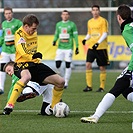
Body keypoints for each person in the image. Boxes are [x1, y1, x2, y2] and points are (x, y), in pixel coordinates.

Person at [3, 14, 65, 115]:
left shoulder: (34, 32)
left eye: (35, 28)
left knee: (61, 82)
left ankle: (53, 107)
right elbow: (22, 51)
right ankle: (10, 105)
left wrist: (34, 57)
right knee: (26, 76)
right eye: (33, 28)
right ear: (26, 26)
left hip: (34, 64)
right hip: (21, 64)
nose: (34, 31)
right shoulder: (19, 34)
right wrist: (33, 56)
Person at [80, 4, 133, 123]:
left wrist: (130, 69)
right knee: (124, 89)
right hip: (92, 47)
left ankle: (95, 116)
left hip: (102, 48)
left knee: (117, 87)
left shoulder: (127, 30)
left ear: (119, 17)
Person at [82, 5, 109, 92]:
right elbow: (90, 33)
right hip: (91, 47)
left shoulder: (103, 21)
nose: (95, 12)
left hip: (101, 47)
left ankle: (102, 87)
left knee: (102, 67)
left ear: (99, 11)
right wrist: (85, 39)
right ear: (91, 11)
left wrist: (98, 43)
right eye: (93, 10)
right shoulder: (90, 22)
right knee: (88, 65)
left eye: (97, 10)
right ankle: (89, 86)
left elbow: (105, 33)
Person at [53, 10, 79, 89]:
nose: (65, 16)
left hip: (68, 48)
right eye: (63, 14)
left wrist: (77, 46)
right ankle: (63, 77)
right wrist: (54, 40)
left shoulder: (72, 24)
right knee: (57, 64)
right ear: (61, 15)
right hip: (60, 47)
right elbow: (57, 34)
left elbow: (75, 36)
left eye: (66, 14)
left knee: (68, 65)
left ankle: (66, 82)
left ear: (68, 16)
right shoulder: (58, 24)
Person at [0, 7, 22, 94]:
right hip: (5, 49)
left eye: (9, 13)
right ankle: (1, 88)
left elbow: (21, 34)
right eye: (6, 13)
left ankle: (18, 86)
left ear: (12, 13)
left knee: (17, 68)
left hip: (14, 50)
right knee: (1, 68)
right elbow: (3, 36)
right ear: (4, 15)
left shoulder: (18, 23)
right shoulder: (4, 23)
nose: (8, 15)